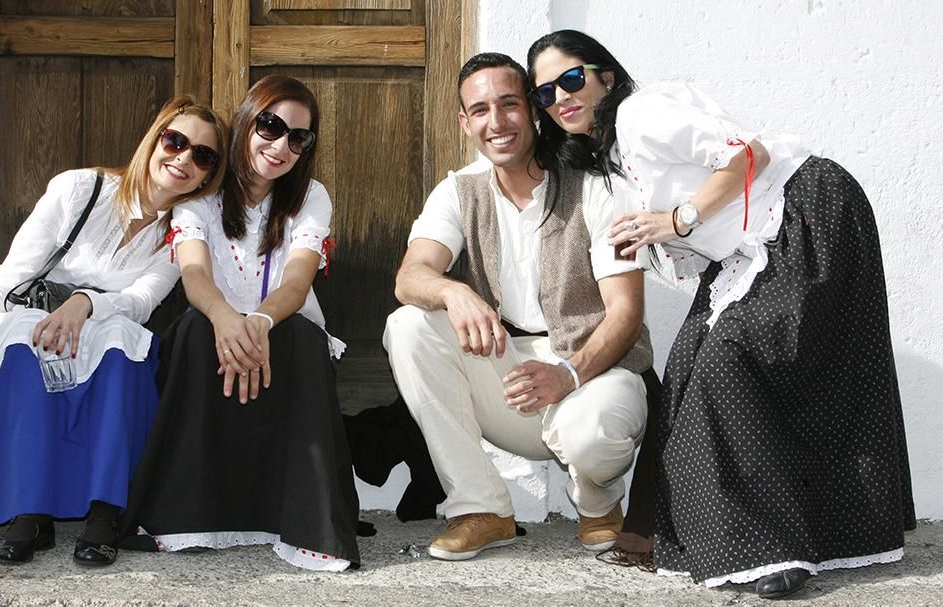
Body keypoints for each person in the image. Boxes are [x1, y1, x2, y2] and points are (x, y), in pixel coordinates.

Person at [527, 30, 916, 598]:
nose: (560, 98)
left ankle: (770, 549)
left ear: (604, 76)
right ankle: (740, 541)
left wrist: (677, 220)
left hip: (805, 210)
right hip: (755, 245)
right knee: (688, 369)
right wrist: (661, 241)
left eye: (570, 79)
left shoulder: (639, 113)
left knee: (728, 363)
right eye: (544, 95)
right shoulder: (612, 158)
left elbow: (745, 153)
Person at [0, 96, 227, 567]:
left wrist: (85, 303)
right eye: (176, 141)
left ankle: (105, 514)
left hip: (108, 340)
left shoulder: (183, 232)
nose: (184, 158)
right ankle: (30, 512)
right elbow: (3, 284)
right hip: (39, 328)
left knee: (120, 346)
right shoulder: (79, 190)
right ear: (154, 141)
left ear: (210, 173)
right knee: (27, 341)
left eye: (203, 155)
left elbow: (141, 303)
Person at [383, 52, 652, 562]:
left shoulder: (596, 187)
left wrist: (567, 375)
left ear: (531, 108)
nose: (496, 122)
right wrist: (454, 291)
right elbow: (410, 276)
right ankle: (482, 509)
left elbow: (625, 313)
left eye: (508, 104)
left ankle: (598, 503)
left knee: (593, 433)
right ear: (465, 123)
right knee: (410, 325)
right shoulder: (459, 191)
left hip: (593, 373)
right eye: (480, 110)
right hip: (509, 377)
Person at [119, 75, 360, 571]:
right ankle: (184, 517)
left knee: (300, 338)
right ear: (248, 121)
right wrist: (228, 320)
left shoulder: (311, 196)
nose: (281, 146)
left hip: (282, 326)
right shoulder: (200, 194)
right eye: (271, 126)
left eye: (299, 137)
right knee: (192, 332)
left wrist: (257, 323)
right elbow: (194, 276)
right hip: (215, 326)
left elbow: (296, 284)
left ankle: (305, 526)